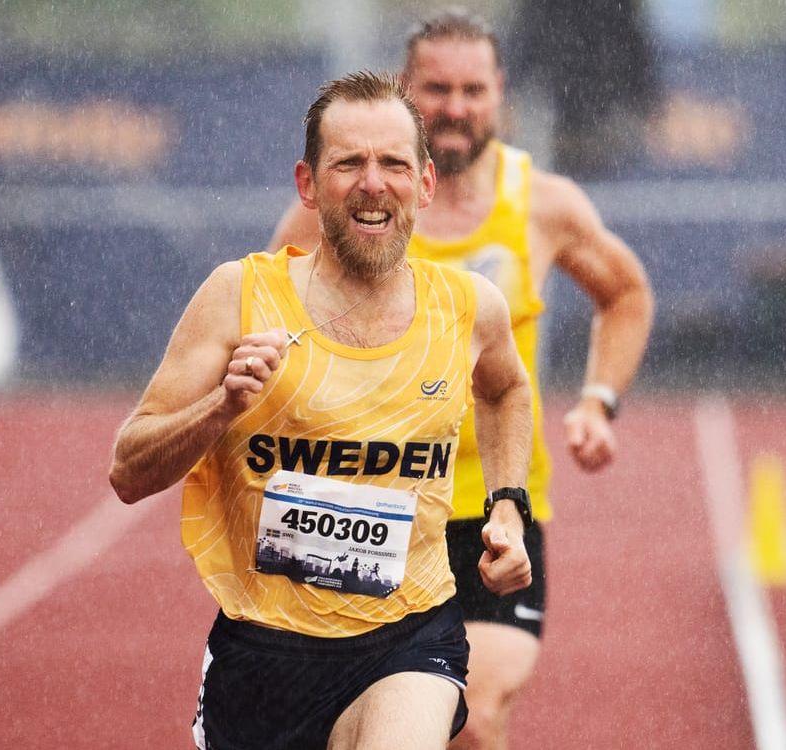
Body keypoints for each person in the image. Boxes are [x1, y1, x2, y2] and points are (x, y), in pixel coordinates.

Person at [110, 70, 536, 750]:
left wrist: (508, 506)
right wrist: (221, 408)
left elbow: (507, 389)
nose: (374, 184)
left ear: (424, 183)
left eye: (394, 163)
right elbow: (129, 471)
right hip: (264, 657)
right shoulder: (239, 296)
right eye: (350, 164)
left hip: (410, 637)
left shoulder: (468, 307)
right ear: (308, 184)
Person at [269, 10, 654, 749]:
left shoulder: (541, 204)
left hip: (495, 510)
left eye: (472, 89)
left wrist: (599, 401)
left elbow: (626, 293)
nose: (454, 105)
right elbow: (267, 314)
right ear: (404, 92)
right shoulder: (351, 198)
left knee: (470, 717)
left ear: (499, 94)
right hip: (367, 508)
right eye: (436, 88)